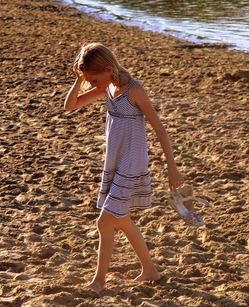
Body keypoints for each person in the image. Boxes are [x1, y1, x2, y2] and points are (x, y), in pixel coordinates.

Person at [64, 43, 185, 294]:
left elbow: (160, 129)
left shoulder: (134, 90)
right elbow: (70, 106)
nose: (92, 84)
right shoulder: (106, 86)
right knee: (122, 221)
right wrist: (79, 79)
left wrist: (172, 169)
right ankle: (150, 270)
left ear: (109, 69)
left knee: (104, 222)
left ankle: (99, 282)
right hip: (115, 162)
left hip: (131, 163)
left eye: (93, 79)